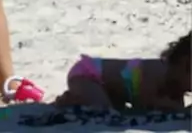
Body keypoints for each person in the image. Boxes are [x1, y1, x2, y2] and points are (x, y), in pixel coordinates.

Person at [54, 32, 190, 111]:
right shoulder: (156, 72)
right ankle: (68, 100)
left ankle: (81, 96)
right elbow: (143, 105)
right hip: (87, 74)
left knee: (114, 105)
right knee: (102, 109)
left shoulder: (176, 83)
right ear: (184, 66)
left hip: (108, 86)